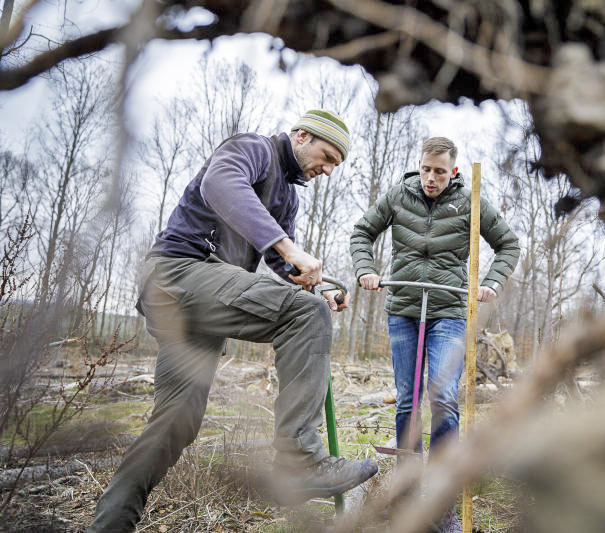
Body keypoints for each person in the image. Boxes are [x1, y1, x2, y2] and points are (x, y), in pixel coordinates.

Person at [89, 110, 378, 532]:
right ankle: (301, 460)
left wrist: (319, 288)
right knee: (304, 315)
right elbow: (220, 184)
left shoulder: (287, 197)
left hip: (199, 302)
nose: (329, 170)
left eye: (336, 164)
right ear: (300, 136)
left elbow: (284, 268)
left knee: (176, 422)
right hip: (178, 274)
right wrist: (290, 251)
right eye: (328, 155)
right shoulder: (254, 149)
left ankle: (109, 525)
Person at [350, 137, 520, 532]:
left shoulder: (470, 202)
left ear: (453, 171)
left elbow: (508, 244)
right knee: (408, 401)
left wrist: (491, 282)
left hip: (448, 310)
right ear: (419, 164)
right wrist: (365, 269)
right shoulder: (398, 195)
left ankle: (443, 502)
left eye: (439, 171)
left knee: (442, 396)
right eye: (426, 169)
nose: (430, 178)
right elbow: (362, 233)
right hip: (404, 309)